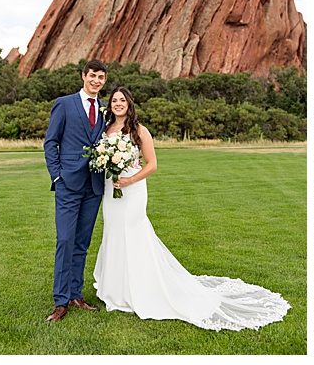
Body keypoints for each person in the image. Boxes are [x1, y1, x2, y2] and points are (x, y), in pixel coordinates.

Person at [91, 87, 290, 330]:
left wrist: (129, 180)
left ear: (129, 104)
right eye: (114, 100)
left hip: (132, 190)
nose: (118, 104)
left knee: (134, 233)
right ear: (109, 104)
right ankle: (115, 289)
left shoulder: (139, 131)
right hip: (111, 191)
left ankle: (141, 289)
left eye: (122, 100)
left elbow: (152, 165)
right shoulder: (104, 129)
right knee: (113, 232)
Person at [44, 59, 108, 323]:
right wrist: (58, 176)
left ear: (104, 81)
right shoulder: (65, 103)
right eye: (92, 75)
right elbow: (51, 142)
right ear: (84, 76)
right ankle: (60, 302)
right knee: (65, 241)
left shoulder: (105, 110)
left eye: (101, 77)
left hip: (94, 185)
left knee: (82, 243)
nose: (96, 81)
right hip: (68, 184)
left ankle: (75, 294)